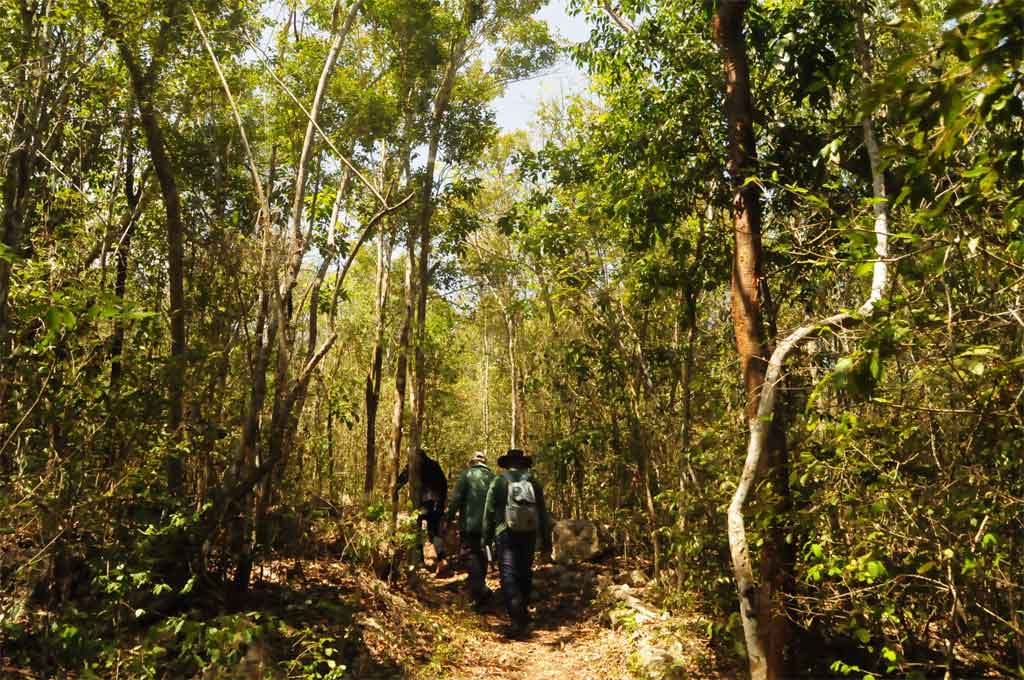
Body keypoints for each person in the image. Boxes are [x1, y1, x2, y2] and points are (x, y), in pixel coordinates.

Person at [482, 448, 552, 638]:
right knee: (525, 572)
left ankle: (516, 620)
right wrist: (546, 541)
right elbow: (543, 514)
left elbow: (488, 512)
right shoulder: (533, 482)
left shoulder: (498, 481)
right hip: (529, 532)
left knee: (508, 575)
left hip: (504, 532)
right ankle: (523, 615)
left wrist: (485, 539)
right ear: (523, 464)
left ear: (507, 464)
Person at [444, 451, 496, 609]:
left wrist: (448, 518)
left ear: (472, 462)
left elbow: (456, 500)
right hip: (489, 527)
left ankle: (479, 592)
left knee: (471, 556)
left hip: (470, 525)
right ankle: (481, 591)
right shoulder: (493, 478)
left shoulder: (466, 475)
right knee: (482, 555)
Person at [397, 448, 448, 565]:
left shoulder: (413, 466)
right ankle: (440, 558)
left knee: (419, 530)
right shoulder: (434, 465)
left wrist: (395, 488)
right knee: (433, 531)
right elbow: (444, 484)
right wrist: (442, 501)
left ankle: (421, 561)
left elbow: (402, 478)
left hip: (423, 504)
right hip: (435, 503)